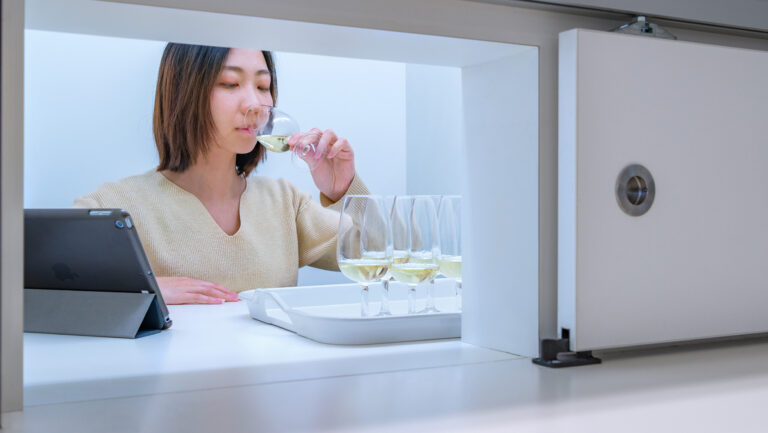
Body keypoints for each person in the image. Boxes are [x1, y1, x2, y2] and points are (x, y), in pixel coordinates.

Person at [73, 43, 368, 305]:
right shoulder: (115, 209)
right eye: (230, 83)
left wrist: (344, 190)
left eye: (263, 87)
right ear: (182, 91)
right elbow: (45, 281)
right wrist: (142, 289)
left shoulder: (283, 202)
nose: (255, 103)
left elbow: (384, 258)